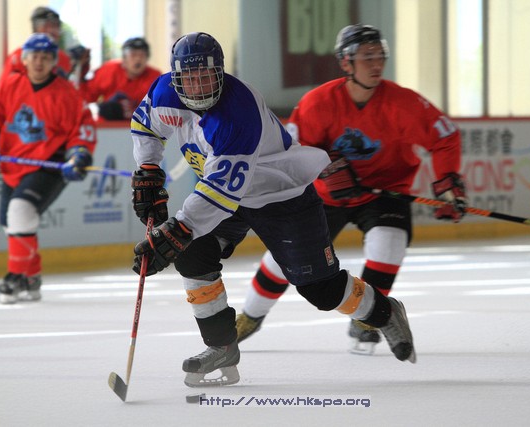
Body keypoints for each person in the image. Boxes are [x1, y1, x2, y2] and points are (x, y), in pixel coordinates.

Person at [129, 31, 416, 387]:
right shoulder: (164, 92)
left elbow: (219, 192)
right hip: (226, 195)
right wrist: (148, 169)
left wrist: (178, 229)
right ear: (175, 78)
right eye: (190, 78)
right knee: (192, 254)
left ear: (221, 73)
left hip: (281, 196)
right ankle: (221, 346)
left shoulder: (238, 113)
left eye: (206, 76)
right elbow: (145, 126)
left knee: (320, 289)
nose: (199, 87)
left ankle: (386, 312)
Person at [235, 24, 467, 355]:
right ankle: (250, 315)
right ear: (346, 62)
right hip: (324, 197)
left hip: (385, 192)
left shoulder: (404, 104)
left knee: (389, 243)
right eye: (366, 57)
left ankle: (368, 318)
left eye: (380, 56)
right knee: (283, 257)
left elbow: (445, 136)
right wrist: (326, 170)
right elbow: (292, 150)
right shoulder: (318, 103)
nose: (376, 64)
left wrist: (447, 185)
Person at [0, 33, 97, 304]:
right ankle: (31, 276)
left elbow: (81, 130)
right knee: (10, 223)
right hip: (14, 163)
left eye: (46, 57)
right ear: (23, 59)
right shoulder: (11, 83)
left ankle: (14, 277)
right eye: (34, 56)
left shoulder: (68, 93)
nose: (39, 62)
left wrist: (78, 154)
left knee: (20, 210)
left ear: (53, 62)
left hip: (49, 164)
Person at [79, 37, 162, 121]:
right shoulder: (108, 71)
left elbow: (161, 109)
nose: (138, 59)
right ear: (124, 58)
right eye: (133, 55)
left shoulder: (155, 78)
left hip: (141, 126)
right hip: (108, 126)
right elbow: (86, 98)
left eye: (142, 55)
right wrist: (80, 75)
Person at [0, 6, 86, 83]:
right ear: (35, 29)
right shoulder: (17, 56)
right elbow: (4, 90)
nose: (51, 31)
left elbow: (71, 89)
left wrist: (82, 67)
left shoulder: (63, 58)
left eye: (55, 26)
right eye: (46, 26)